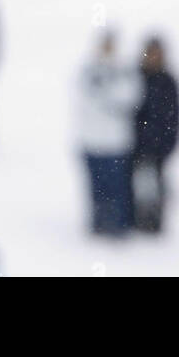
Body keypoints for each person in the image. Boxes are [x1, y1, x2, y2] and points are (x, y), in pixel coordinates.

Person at [74, 32, 141, 236]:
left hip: (116, 143)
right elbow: (82, 99)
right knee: (97, 188)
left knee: (116, 189)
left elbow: (130, 98)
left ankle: (117, 226)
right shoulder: (88, 69)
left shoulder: (124, 70)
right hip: (91, 141)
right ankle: (98, 224)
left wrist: (105, 93)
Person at [132, 36, 179, 233]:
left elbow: (175, 118)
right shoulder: (134, 77)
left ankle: (153, 225)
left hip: (159, 149)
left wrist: (166, 144)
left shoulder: (168, 82)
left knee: (154, 190)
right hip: (134, 148)